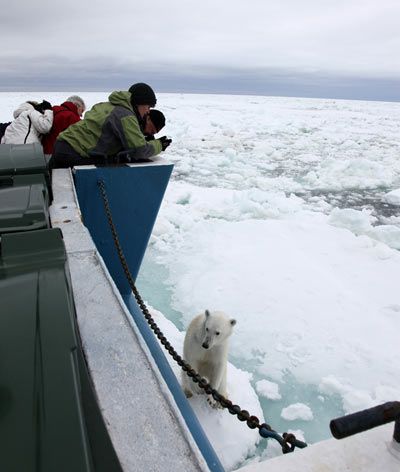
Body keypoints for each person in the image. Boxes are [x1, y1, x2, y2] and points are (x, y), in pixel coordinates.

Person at [50, 83, 172, 169]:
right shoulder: (126, 115)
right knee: (108, 163)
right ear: (139, 103)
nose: (148, 111)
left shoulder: (109, 106)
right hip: (73, 153)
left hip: (62, 146)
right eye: (148, 106)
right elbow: (139, 150)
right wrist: (159, 145)